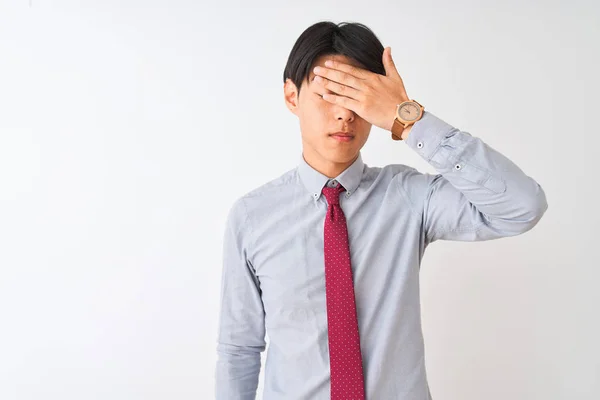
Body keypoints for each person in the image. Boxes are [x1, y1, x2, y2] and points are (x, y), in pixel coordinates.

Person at [214, 21, 548, 400]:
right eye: (328, 94)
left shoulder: (408, 196)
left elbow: (522, 206)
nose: (344, 114)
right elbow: (238, 350)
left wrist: (409, 119)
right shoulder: (252, 217)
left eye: (357, 96)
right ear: (292, 97)